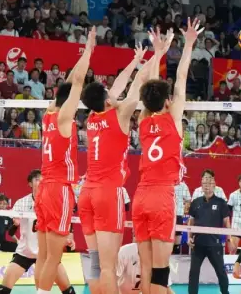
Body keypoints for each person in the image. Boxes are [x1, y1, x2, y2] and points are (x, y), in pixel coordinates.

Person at [79, 29, 173, 294]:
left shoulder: (93, 117)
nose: (112, 91)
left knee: (96, 264)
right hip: (107, 193)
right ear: (106, 99)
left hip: (86, 193)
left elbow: (118, 87)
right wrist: (156, 54)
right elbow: (139, 85)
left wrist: (135, 60)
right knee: (108, 267)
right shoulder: (118, 115)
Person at [133, 18, 202, 294]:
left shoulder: (142, 121)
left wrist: (158, 52)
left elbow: (149, 87)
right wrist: (189, 44)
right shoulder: (173, 120)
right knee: (161, 273)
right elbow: (181, 79)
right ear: (166, 101)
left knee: (146, 269)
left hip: (140, 195)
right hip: (162, 197)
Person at [34, 27, 97, 294]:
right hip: (59, 189)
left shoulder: (48, 113)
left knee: (43, 255)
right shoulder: (63, 118)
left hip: (44, 188)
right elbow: (78, 81)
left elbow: (70, 83)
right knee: (54, 258)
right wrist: (89, 49)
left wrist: (85, 53)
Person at [0, 169, 76, 294]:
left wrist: (69, 238)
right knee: (3, 289)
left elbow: (67, 223)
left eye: (42, 179)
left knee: (68, 289)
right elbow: (11, 232)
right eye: (37, 179)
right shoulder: (21, 203)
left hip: (46, 254)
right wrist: (15, 224)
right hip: (25, 252)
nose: (40, 182)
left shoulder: (53, 202)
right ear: (30, 183)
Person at [187, 172, 231, 294]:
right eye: (204, 183)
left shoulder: (221, 202)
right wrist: (189, 237)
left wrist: (229, 239)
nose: (206, 185)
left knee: (221, 272)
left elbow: (227, 222)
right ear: (201, 185)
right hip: (198, 243)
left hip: (214, 244)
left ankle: (225, 292)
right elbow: (191, 221)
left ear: (214, 185)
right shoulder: (196, 202)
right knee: (193, 272)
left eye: (209, 183)